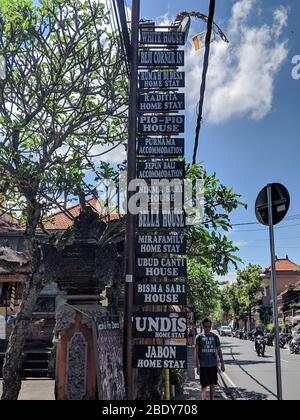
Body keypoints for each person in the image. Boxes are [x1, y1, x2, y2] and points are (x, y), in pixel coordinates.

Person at [195, 318, 225, 401]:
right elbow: (196, 353)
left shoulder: (215, 337)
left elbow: (219, 351)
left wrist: (222, 364)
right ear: (203, 326)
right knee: (204, 386)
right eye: (206, 326)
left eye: (209, 326)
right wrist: (197, 367)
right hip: (203, 366)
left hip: (213, 365)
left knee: (212, 385)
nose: (207, 328)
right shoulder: (199, 337)